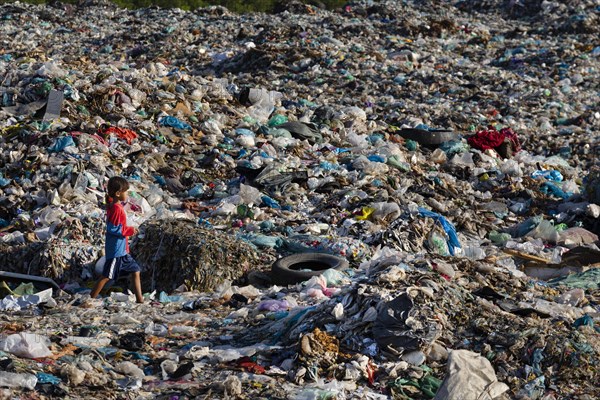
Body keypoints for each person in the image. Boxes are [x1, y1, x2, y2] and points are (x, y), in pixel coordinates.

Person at [90, 176, 143, 303]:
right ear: (118, 193)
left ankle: (140, 300)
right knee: (106, 276)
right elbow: (112, 229)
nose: (127, 194)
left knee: (136, 270)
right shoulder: (115, 209)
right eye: (126, 192)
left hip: (123, 250)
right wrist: (130, 230)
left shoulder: (117, 206)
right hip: (116, 251)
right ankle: (90, 299)